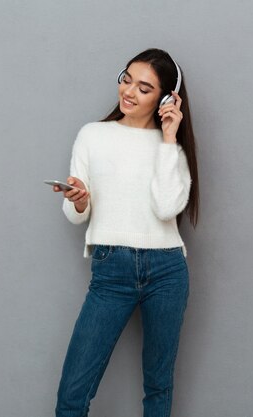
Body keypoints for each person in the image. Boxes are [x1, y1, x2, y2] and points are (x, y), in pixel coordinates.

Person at [52, 48, 199, 417]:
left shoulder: (172, 148)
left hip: (167, 271)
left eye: (144, 88)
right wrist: (81, 201)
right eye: (127, 79)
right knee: (73, 394)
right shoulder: (92, 136)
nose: (129, 92)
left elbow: (167, 209)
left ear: (166, 99)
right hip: (110, 270)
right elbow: (74, 214)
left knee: (158, 386)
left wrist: (168, 138)